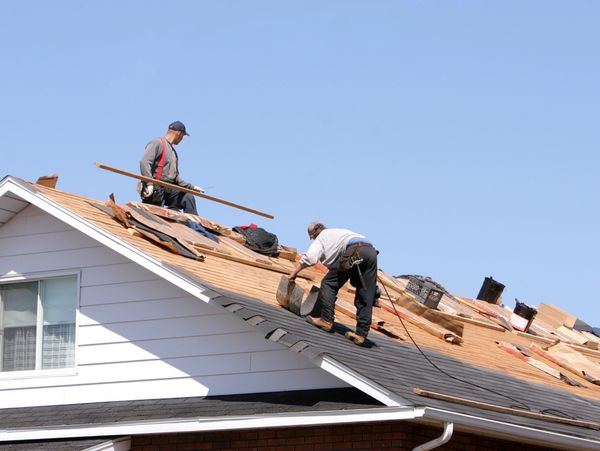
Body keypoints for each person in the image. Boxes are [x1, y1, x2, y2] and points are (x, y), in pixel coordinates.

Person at [288, 221, 378, 346]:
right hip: (371, 252)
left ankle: (326, 320)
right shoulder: (337, 233)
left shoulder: (322, 237)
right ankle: (361, 334)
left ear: (314, 235)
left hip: (355, 251)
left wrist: (294, 272)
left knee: (329, 283)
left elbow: (311, 257)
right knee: (365, 291)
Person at [139, 121, 203, 215]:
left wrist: (191, 187)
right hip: (155, 188)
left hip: (169, 190)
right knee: (155, 216)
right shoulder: (158, 143)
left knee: (188, 197)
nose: (182, 139)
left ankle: (195, 226)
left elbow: (176, 179)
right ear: (179, 133)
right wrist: (149, 183)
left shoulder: (173, 153)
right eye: (182, 136)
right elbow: (144, 162)